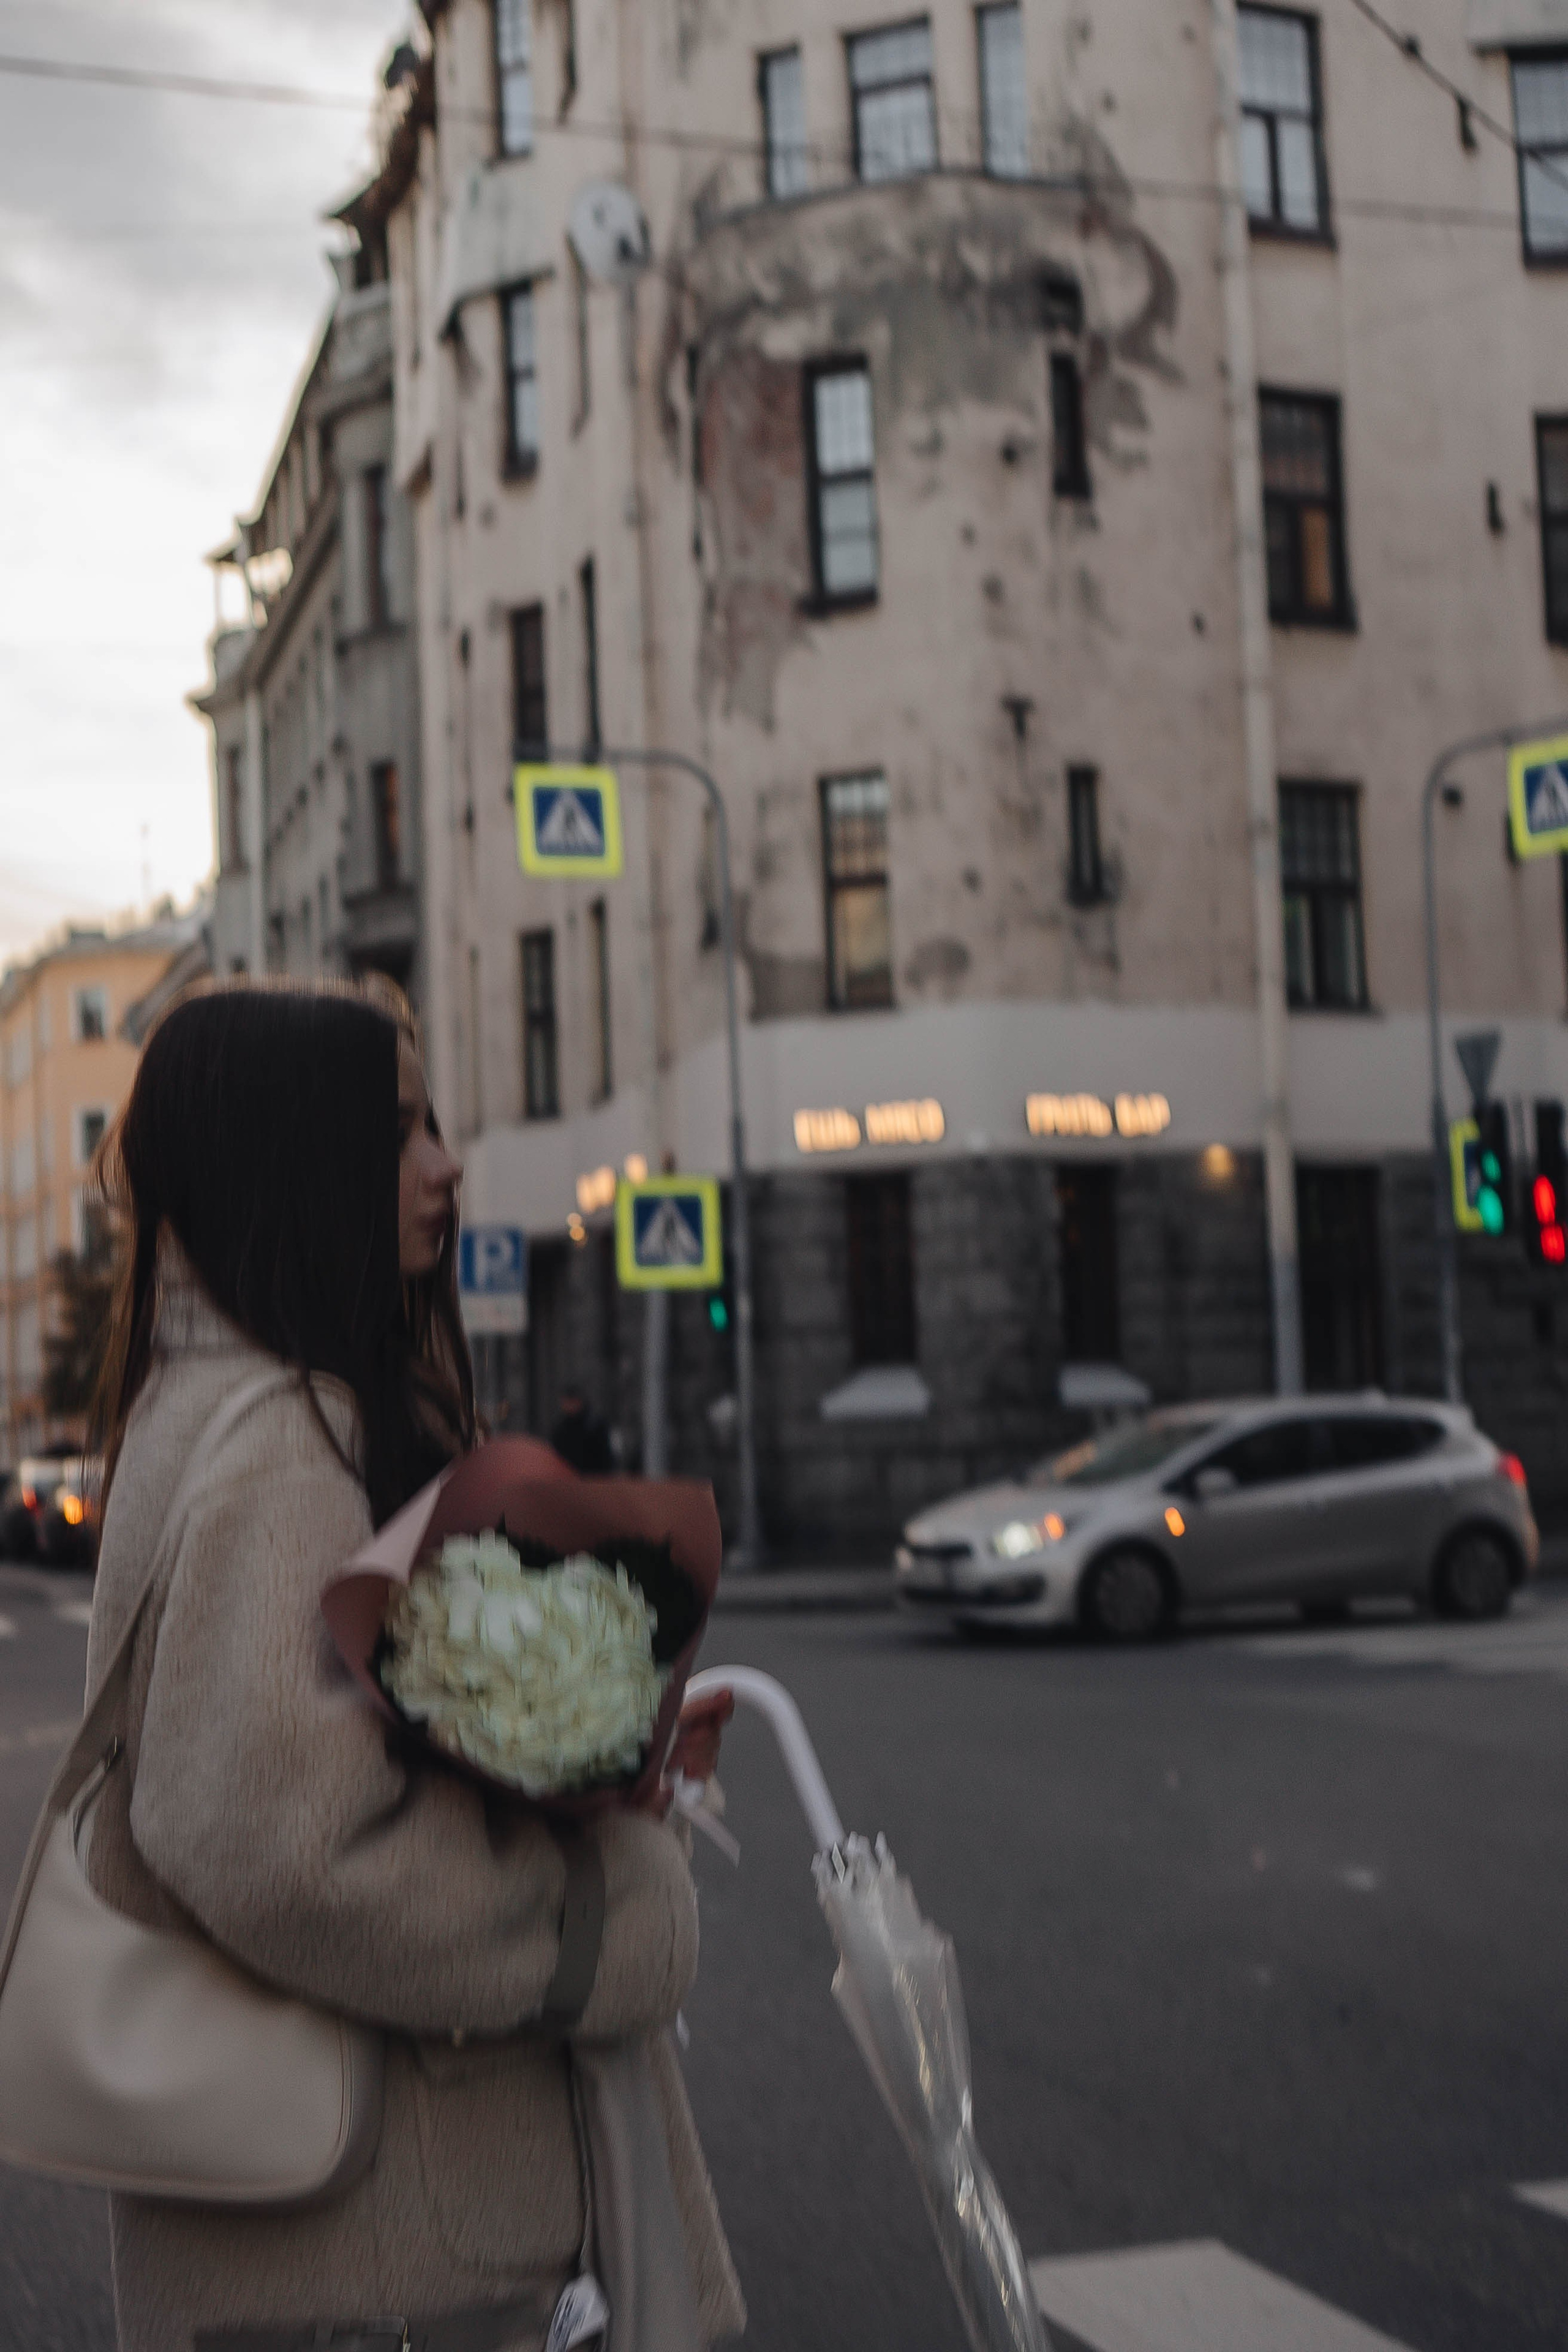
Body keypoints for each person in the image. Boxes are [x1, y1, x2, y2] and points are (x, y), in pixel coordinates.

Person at [86, 980, 743, 2352]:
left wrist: (589, 1750)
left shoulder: (216, 1403)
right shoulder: (280, 1445)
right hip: (378, 2260)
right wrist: (604, 1913)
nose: (444, 1166)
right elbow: (288, 1850)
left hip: (343, 2244)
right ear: (291, 1161)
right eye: (397, 1132)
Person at [550, 1383, 614, 1476]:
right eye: (566, 1402)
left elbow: (605, 1458)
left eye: (572, 1402)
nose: (569, 1406)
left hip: (594, 1478)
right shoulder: (561, 1430)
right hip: (568, 1478)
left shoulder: (595, 1426)